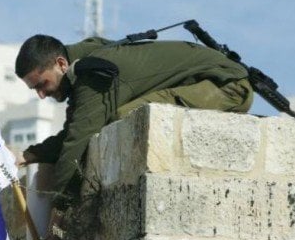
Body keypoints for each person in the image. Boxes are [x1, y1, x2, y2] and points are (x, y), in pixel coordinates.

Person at [16, 34, 253, 212]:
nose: (41, 94)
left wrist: (59, 215)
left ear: (60, 64)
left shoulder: (91, 75)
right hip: (213, 80)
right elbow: (75, 131)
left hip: (228, 87)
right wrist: (30, 155)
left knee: (121, 117)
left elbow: (77, 142)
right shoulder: (84, 59)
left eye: (41, 84)